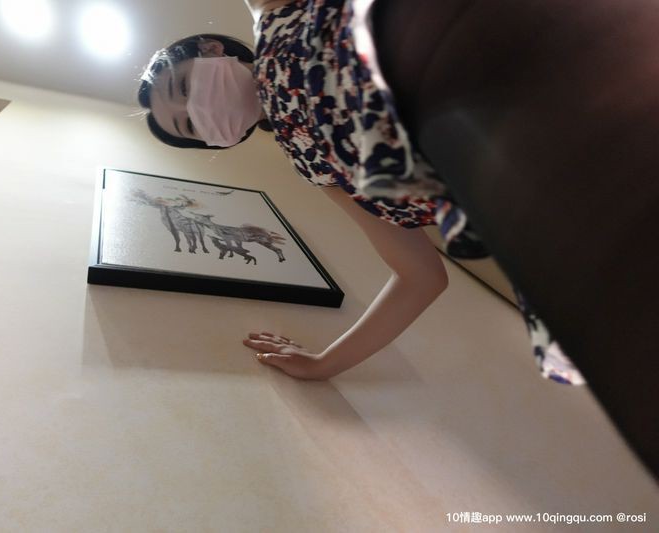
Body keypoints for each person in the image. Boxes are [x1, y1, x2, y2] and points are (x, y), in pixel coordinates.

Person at [139, 0, 658, 475]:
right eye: (189, 126)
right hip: (547, 197)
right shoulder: (314, 165)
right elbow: (419, 276)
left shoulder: (274, 12)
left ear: (210, 48)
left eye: (182, 88)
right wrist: (322, 365)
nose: (197, 111)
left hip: (534, 50)